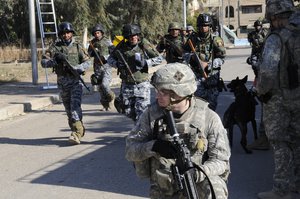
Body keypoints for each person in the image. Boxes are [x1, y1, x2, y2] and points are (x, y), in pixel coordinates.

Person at [125, 63, 230, 199]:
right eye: (157, 91)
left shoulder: (208, 118)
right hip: (164, 185)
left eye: (163, 92)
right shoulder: (151, 115)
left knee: (215, 188)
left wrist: (198, 172)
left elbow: (221, 161)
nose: (157, 97)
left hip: (197, 184)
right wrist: (153, 146)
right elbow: (130, 151)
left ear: (179, 93)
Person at [256, 0, 300, 198]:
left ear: (274, 16)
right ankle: (296, 185)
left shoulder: (276, 37)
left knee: (280, 143)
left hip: (279, 99)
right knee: (297, 142)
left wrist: (261, 91)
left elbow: (267, 71)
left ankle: (282, 190)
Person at [41, 22, 91, 144]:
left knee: (74, 108)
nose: (66, 35)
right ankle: (78, 128)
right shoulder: (55, 47)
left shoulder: (78, 46)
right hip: (63, 83)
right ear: (60, 34)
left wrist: (77, 68)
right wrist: (54, 61)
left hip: (75, 82)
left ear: (71, 33)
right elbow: (43, 62)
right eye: (63, 33)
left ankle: (77, 133)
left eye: (68, 33)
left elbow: (87, 62)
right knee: (69, 111)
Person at [107, 24, 162, 122]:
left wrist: (146, 63)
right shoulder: (121, 47)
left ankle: (142, 134)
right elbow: (110, 59)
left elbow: (159, 58)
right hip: (126, 84)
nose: (133, 38)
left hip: (141, 84)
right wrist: (117, 64)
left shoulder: (143, 45)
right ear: (126, 38)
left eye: (135, 35)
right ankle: (139, 127)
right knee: (128, 111)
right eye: (130, 36)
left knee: (142, 112)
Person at [183, 13, 226, 111]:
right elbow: (184, 53)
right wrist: (192, 57)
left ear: (210, 26)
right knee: (197, 105)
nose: (203, 28)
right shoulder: (193, 39)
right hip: (197, 76)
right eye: (201, 25)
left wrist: (208, 64)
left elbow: (222, 58)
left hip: (211, 76)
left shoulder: (215, 39)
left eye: (206, 25)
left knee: (211, 106)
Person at [246, 19, 270, 150]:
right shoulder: (253, 35)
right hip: (257, 59)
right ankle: (263, 138)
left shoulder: (268, 35)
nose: (258, 27)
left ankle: (264, 139)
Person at [88, 23, 115, 111]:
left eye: (98, 33)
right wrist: (92, 52)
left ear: (102, 33)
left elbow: (113, 53)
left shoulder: (107, 41)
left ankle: (111, 97)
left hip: (106, 66)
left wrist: (105, 57)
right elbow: (89, 54)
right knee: (100, 87)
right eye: (95, 33)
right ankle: (105, 105)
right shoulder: (92, 42)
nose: (97, 35)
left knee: (105, 85)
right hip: (97, 67)